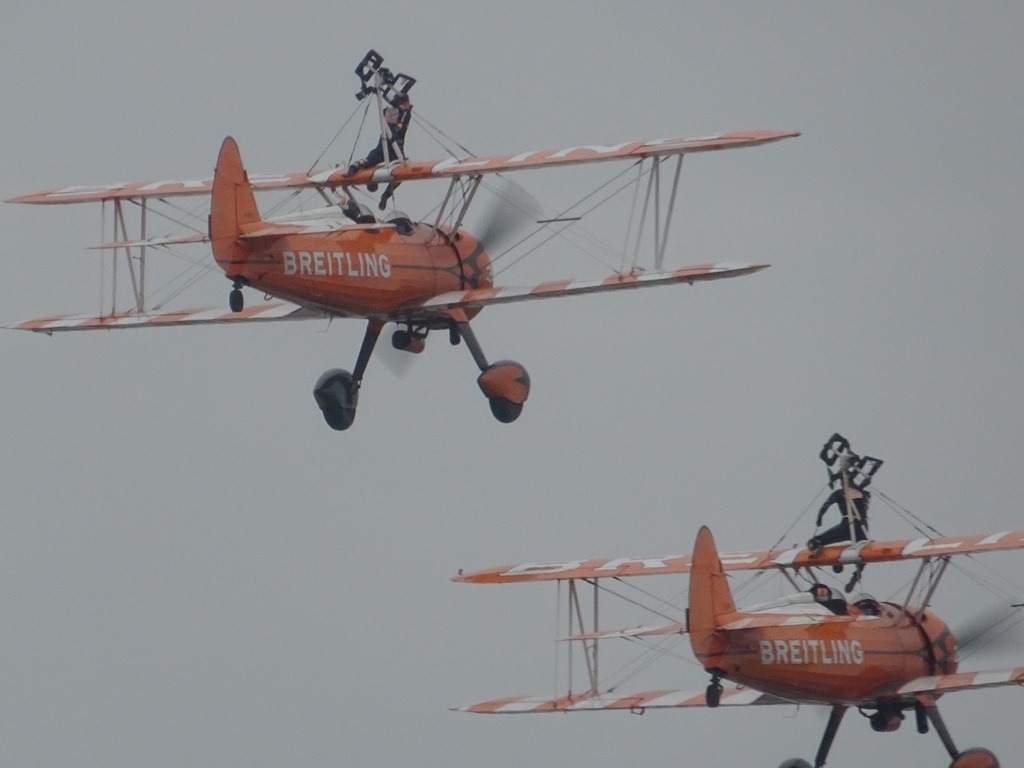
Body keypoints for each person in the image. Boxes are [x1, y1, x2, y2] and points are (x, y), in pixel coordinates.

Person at [348, 91, 413, 207]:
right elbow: (401, 125)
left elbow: (390, 116)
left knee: (369, 160)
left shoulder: (387, 111)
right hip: (396, 150)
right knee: (403, 172)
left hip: (382, 147)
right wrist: (406, 110)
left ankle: (356, 166)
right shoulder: (405, 113)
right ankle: (387, 194)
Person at [808, 485, 870, 554]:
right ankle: (842, 562)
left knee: (814, 542)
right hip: (863, 529)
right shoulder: (865, 493)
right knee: (860, 541)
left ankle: (816, 546)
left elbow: (825, 506)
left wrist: (819, 519)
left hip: (847, 526)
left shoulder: (839, 493)